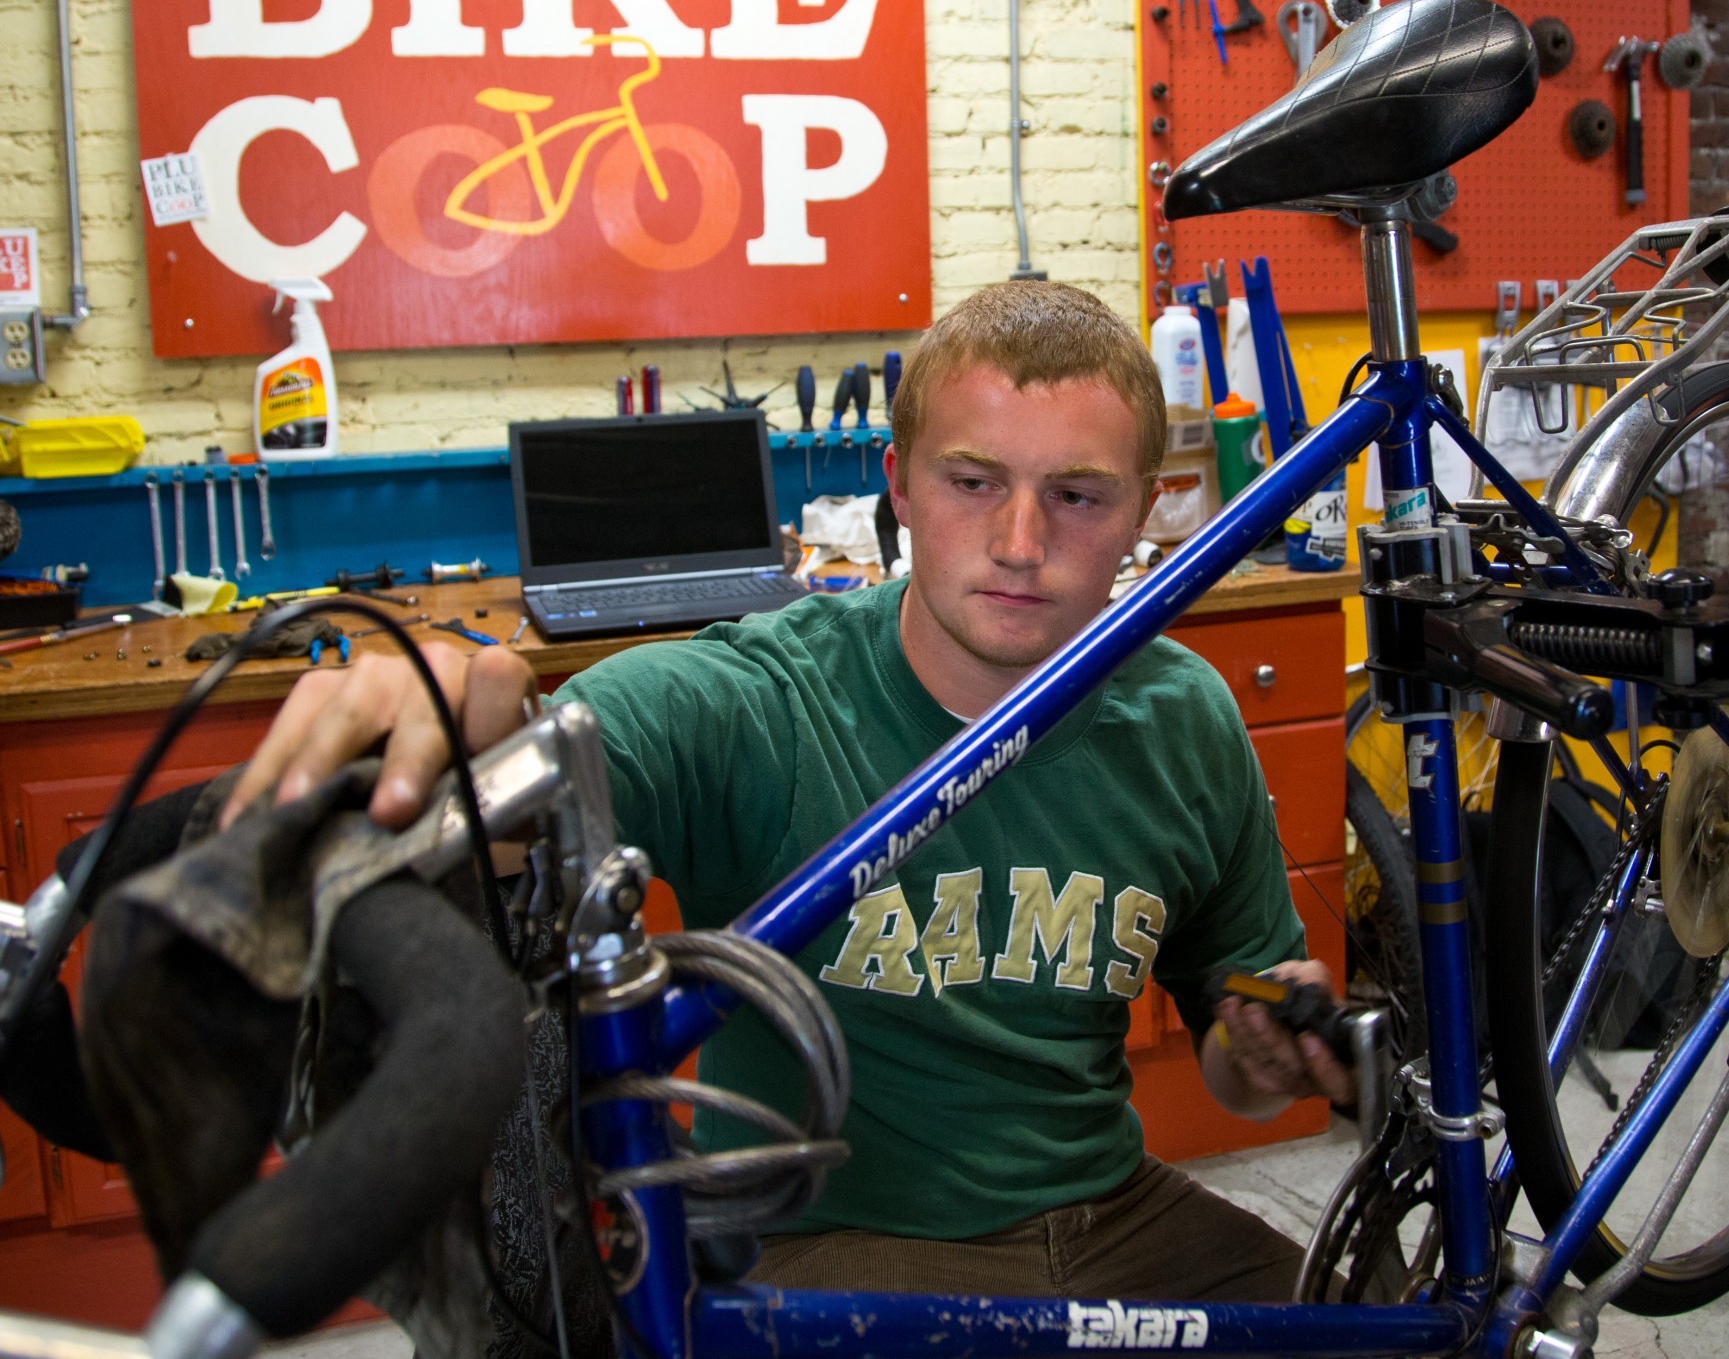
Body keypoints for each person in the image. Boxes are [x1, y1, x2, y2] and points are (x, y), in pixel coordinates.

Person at [221, 280, 1352, 1302]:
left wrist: (1254, 1058)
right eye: (972, 481)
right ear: (896, 486)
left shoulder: (1182, 714)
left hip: (1112, 1218)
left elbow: (1235, 1073)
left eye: (1076, 494)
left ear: (1150, 504)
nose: (1020, 542)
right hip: (830, 1243)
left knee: (1388, 1323)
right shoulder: (760, 698)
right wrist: (444, 737)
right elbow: (553, 762)